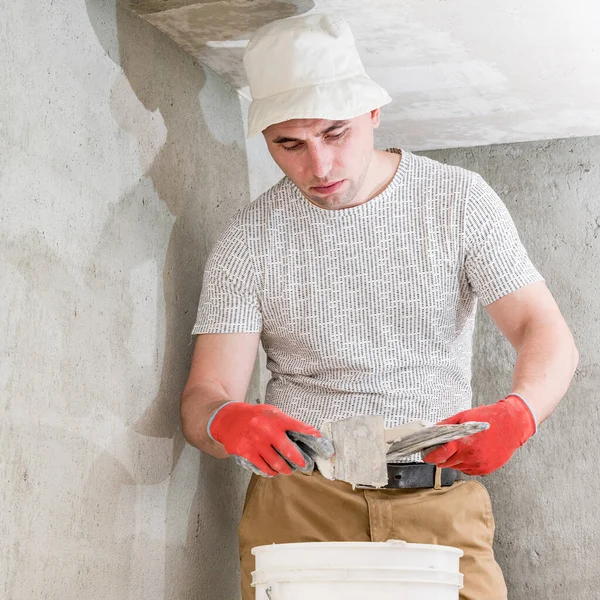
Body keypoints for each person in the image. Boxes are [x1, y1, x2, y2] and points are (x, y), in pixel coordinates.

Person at [180, 14, 578, 600]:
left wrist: (519, 414)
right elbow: (203, 397)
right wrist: (226, 419)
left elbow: (543, 330)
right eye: (288, 144)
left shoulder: (458, 202)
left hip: (438, 502)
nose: (317, 167)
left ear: (372, 113)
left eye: (334, 133)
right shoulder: (248, 242)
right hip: (301, 506)